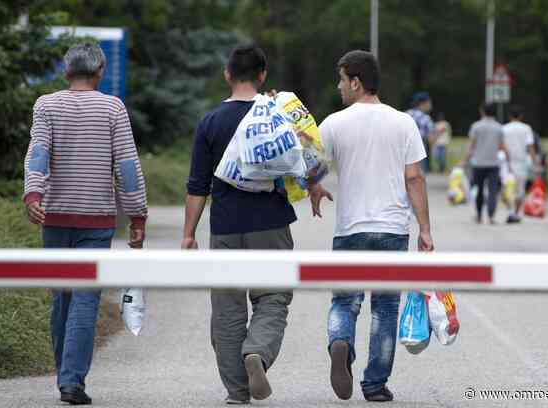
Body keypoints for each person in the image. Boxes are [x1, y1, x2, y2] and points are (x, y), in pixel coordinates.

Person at [181, 44, 331, 405]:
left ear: (227, 75)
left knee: (228, 306)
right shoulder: (276, 115)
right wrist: (314, 186)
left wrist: (188, 234)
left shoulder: (211, 122)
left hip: (226, 226)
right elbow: (309, 157)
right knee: (273, 296)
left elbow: (197, 185)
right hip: (271, 223)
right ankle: (258, 353)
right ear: (263, 75)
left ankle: (237, 392)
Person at [23, 43, 148, 406]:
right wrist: (137, 214)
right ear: (100, 73)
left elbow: (39, 152)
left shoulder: (46, 105)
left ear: (66, 72)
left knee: (62, 298)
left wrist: (34, 195)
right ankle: (71, 381)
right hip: (96, 220)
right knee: (85, 300)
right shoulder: (112, 107)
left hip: (55, 218)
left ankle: (66, 375)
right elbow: (126, 165)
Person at [319, 50, 434, 403]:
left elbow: (310, 165)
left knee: (344, 301)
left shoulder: (334, 123)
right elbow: (414, 177)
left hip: (350, 228)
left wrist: (314, 187)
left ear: (356, 81)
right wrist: (425, 229)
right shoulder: (403, 123)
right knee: (385, 308)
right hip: (392, 229)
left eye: (341, 80)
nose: (339, 87)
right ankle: (374, 384)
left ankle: (341, 343)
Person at [460, 103, 510, 224]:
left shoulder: (476, 127)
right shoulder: (499, 127)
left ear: (482, 111)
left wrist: (463, 161)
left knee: (479, 189)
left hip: (478, 163)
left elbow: (471, 147)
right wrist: (509, 160)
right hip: (494, 163)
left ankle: (479, 215)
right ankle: (491, 216)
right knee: (493, 190)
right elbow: (502, 146)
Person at [502, 105, 538, 223]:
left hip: (506, 163)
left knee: (507, 188)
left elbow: (501, 146)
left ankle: (510, 211)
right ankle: (516, 213)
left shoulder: (504, 128)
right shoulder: (526, 128)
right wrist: (535, 163)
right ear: (521, 116)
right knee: (520, 190)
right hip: (521, 162)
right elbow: (530, 147)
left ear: (509, 116)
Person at [406, 92, 435, 173]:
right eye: (429, 102)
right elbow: (431, 140)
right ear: (423, 103)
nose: (430, 105)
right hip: (419, 154)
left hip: (404, 152)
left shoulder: (405, 114)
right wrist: (439, 132)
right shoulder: (426, 119)